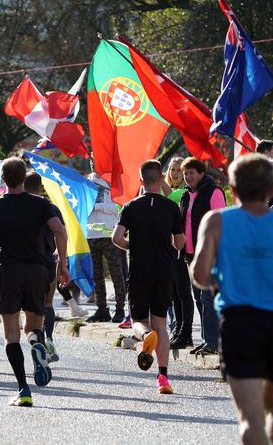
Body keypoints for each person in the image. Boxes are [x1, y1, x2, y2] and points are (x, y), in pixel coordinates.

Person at [191, 154, 273, 444]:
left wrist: (224, 277)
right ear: (271, 188)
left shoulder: (217, 220)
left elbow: (201, 275)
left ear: (232, 187)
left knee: (250, 418)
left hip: (240, 322)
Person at [0, 157, 69, 407]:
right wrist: (63, 263)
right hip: (38, 272)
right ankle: (37, 343)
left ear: (3, 179)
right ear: (24, 177)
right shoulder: (42, 204)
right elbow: (60, 230)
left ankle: (23, 389)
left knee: (11, 334)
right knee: (33, 326)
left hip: (10, 272)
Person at [112, 160, 185, 395]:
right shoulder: (172, 208)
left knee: (138, 321)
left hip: (140, 271)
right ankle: (163, 378)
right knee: (161, 324)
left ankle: (145, 336)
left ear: (141, 180)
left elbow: (116, 238)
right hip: (164, 271)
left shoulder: (131, 207)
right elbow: (180, 242)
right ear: (161, 177)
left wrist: (133, 245)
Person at [22, 171, 78, 361]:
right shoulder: (50, 207)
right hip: (48, 260)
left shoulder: (18, 207)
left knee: (29, 310)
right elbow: (61, 233)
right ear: (41, 188)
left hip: (24, 263)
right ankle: (49, 338)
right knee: (47, 303)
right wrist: (62, 262)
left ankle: (38, 343)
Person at [180, 157, 226, 356]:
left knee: (207, 299)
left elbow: (221, 221)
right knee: (198, 297)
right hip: (191, 254)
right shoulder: (185, 195)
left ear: (201, 174)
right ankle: (208, 339)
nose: (188, 176)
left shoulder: (213, 192)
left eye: (191, 173)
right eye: (185, 173)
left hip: (209, 253)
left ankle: (213, 343)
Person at [161, 157, 193, 350]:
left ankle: (185, 332)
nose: (174, 173)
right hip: (167, 247)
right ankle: (177, 329)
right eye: (172, 169)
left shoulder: (184, 193)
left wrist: (157, 184)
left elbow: (173, 197)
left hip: (181, 246)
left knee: (183, 291)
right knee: (173, 292)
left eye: (178, 170)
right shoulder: (165, 191)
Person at [86, 173, 127, 323]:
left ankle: (120, 309)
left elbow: (118, 207)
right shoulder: (87, 181)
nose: (93, 164)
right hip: (91, 233)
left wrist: (97, 206)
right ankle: (102, 309)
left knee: (116, 273)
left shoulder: (113, 181)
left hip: (109, 233)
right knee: (97, 275)